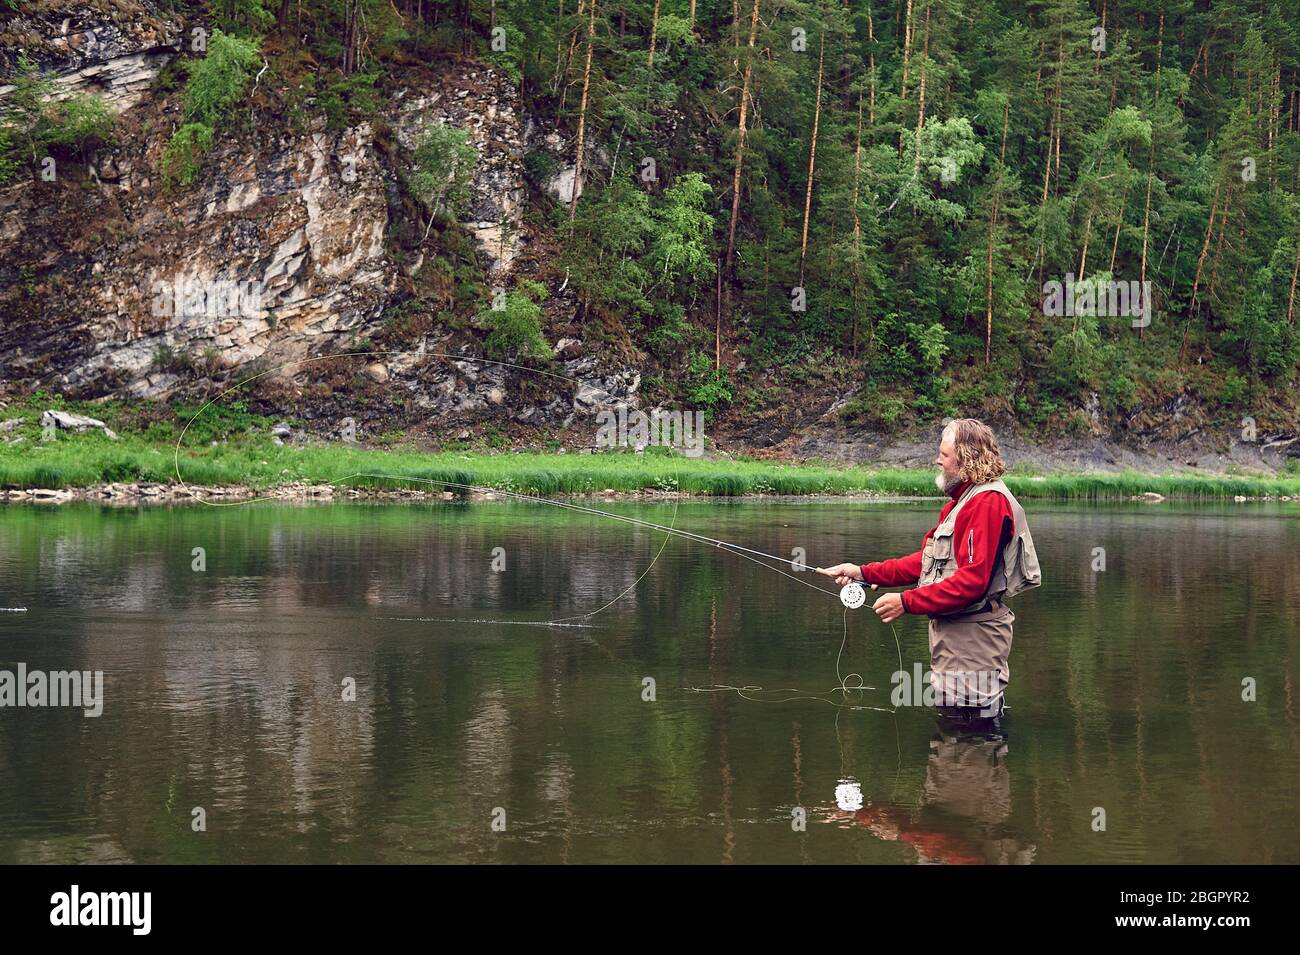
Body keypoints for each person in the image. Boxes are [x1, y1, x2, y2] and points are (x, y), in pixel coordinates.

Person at [817, 418, 1040, 736]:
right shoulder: (963, 502)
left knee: (969, 729)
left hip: (974, 642)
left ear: (965, 458)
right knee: (956, 735)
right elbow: (927, 563)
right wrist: (864, 572)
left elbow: (973, 581)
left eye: (944, 454)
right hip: (960, 640)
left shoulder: (987, 503)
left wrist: (906, 602)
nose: (937, 460)